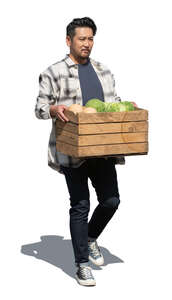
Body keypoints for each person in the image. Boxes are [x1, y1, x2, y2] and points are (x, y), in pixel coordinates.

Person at [35, 17, 136, 286]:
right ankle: (81, 264)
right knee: (80, 205)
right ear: (69, 40)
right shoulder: (53, 72)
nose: (87, 44)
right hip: (71, 150)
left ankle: (90, 238)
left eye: (90, 39)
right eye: (82, 39)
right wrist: (54, 110)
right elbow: (39, 108)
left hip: (101, 148)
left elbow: (112, 104)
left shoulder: (103, 70)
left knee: (111, 200)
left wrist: (126, 106)